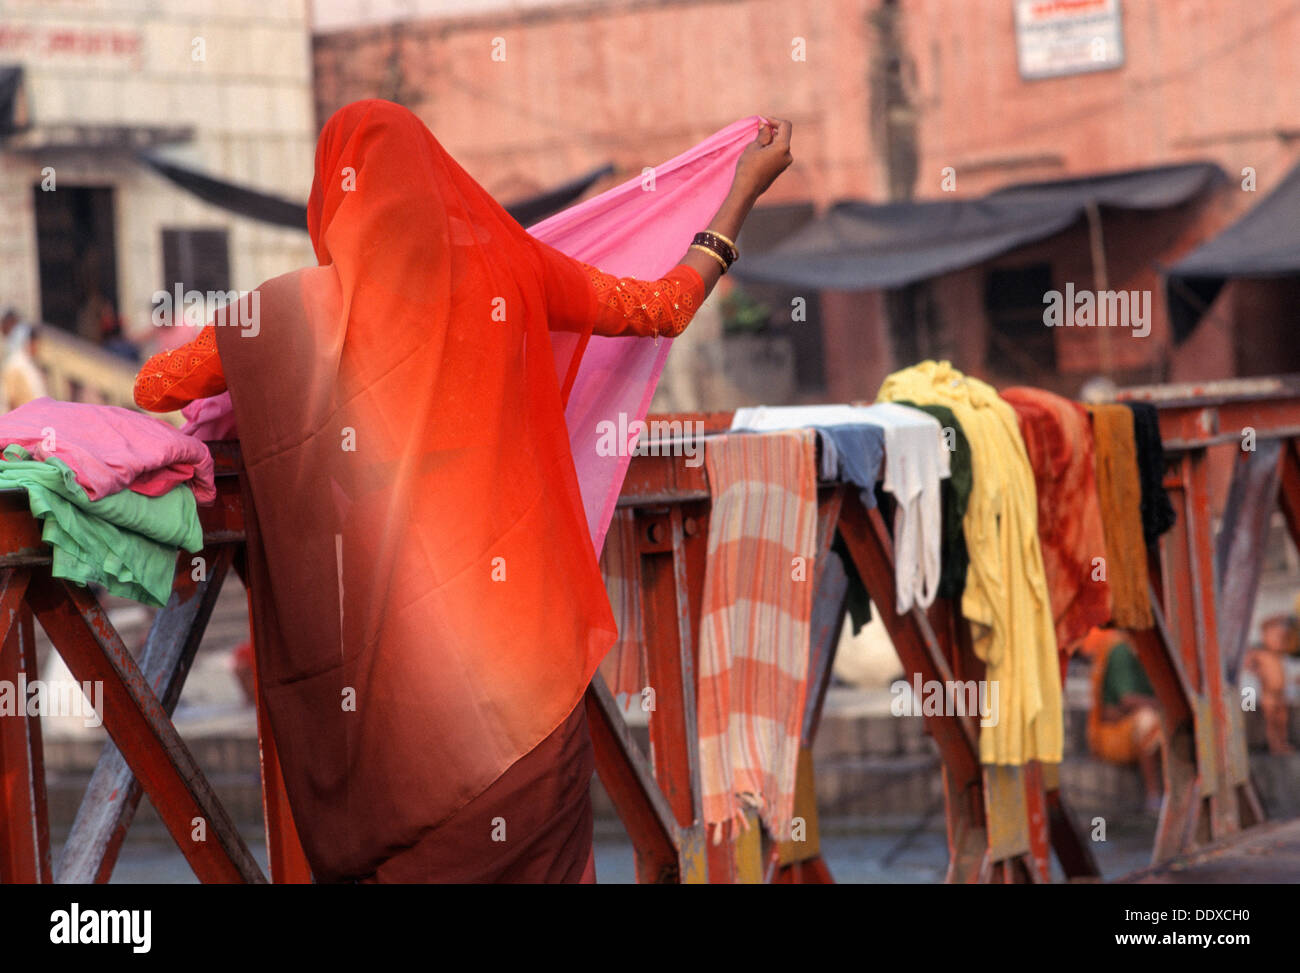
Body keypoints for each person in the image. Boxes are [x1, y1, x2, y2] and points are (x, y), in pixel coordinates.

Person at [132, 99, 792, 883]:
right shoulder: (516, 270)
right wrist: (741, 192)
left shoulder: (294, 315)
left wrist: (270, 378)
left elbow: (156, 385)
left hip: (395, 713)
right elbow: (664, 307)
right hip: (529, 676)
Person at [1083, 626, 1163, 814]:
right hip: (1116, 729)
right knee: (1147, 721)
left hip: (1140, 717)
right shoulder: (1121, 648)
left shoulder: (1151, 646)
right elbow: (1126, 700)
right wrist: (1167, 703)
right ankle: (1154, 795)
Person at [1243, 614, 1297, 754]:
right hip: (1269, 694)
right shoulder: (1260, 653)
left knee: (1282, 719)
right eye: (1275, 637)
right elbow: (1246, 662)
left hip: (1281, 693)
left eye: (1281, 638)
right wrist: (1255, 670)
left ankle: (1283, 742)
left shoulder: (1279, 655)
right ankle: (1274, 745)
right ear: (1264, 636)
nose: (1278, 641)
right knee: (1272, 721)